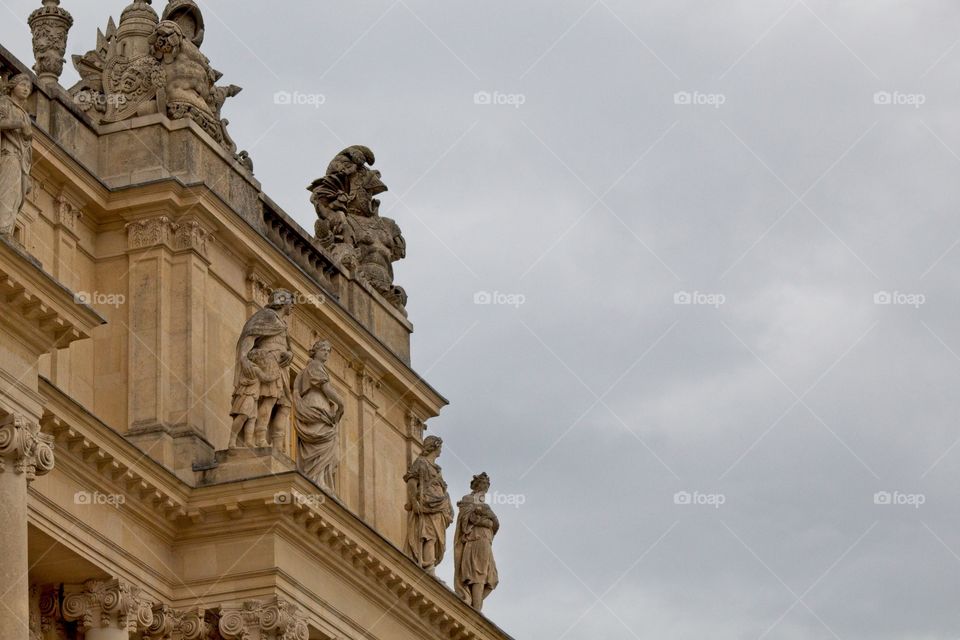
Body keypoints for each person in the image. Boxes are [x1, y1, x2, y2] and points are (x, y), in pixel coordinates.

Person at [231, 289, 294, 449]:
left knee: (277, 401)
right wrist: (243, 358)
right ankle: (259, 437)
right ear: (282, 301)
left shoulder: (283, 324)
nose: (292, 305)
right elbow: (249, 335)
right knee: (269, 399)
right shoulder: (267, 315)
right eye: (290, 301)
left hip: (279, 365)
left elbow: (287, 347)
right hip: (267, 361)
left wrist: (289, 355)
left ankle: (261, 437)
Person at [293, 340, 344, 493]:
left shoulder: (314, 368)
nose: (326, 354)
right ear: (315, 351)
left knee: (328, 446)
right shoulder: (315, 366)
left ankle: (319, 478)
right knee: (322, 441)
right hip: (315, 405)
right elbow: (326, 388)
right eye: (324, 350)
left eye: (328, 351)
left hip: (320, 407)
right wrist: (341, 403)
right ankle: (317, 478)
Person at [403, 436, 453, 574]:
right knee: (428, 535)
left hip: (439, 506)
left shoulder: (438, 469)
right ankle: (428, 567)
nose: (441, 451)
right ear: (434, 447)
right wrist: (414, 502)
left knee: (435, 537)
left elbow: (443, 488)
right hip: (426, 504)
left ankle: (430, 565)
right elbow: (412, 483)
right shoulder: (421, 462)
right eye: (440, 448)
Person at [454, 473, 500, 611]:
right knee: (477, 574)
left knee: (492, 578)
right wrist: (486, 520)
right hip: (475, 540)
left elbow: (496, 524)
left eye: (487, 484)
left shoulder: (484, 505)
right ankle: (476, 609)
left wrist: (488, 518)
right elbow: (466, 520)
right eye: (483, 483)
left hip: (485, 541)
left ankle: (475, 605)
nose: (486, 486)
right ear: (477, 485)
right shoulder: (468, 500)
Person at [0, 74, 33, 238]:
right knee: (9, 189)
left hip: (21, 158)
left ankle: (7, 227)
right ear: (13, 86)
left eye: (28, 87)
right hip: (9, 152)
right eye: (22, 85)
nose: (26, 88)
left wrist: (27, 134)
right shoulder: (5, 102)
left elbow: (27, 140)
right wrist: (19, 124)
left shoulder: (25, 113)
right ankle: (3, 228)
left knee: (17, 197)